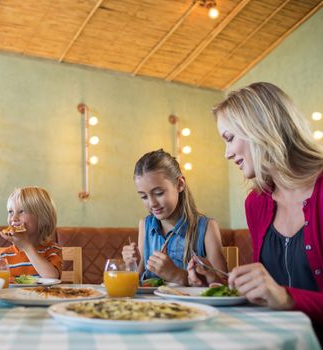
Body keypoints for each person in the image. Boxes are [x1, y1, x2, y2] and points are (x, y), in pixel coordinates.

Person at [212, 82, 323, 340]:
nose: (227, 153)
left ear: (259, 128)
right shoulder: (256, 203)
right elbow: (268, 289)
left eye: (229, 138)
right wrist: (222, 281)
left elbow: (281, 294)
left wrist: (286, 297)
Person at [122, 149, 226, 285]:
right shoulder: (145, 225)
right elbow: (138, 281)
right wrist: (131, 264)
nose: (152, 203)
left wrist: (177, 275)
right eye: (143, 196)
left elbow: (223, 287)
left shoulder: (206, 228)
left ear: (180, 184)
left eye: (159, 193)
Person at [0, 186, 62, 279]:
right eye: (11, 212)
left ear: (42, 217)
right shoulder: (4, 256)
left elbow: (52, 278)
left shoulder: (52, 250)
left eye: (22, 211)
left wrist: (26, 246)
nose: (14, 218)